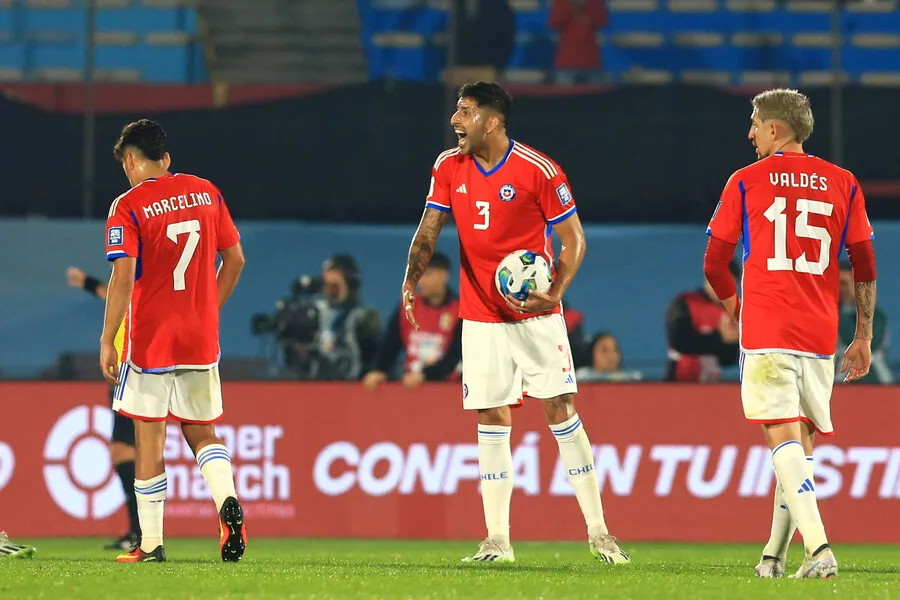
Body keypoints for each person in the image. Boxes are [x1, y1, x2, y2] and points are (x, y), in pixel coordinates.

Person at [401, 82, 629, 565]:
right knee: (490, 415)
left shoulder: (537, 170)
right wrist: (410, 280)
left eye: (465, 112)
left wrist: (556, 291)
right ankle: (497, 540)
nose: (455, 120)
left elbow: (574, 240)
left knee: (560, 410)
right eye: (456, 111)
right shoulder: (448, 165)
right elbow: (429, 229)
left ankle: (600, 532)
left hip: (535, 313)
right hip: (480, 315)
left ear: (492, 120)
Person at [704, 89, 876, 579]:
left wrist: (737, 306)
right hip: (821, 332)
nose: (750, 133)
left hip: (769, 325)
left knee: (781, 437)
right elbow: (863, 264)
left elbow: (715, 261)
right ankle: (773, 557)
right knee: (799, 444)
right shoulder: (844, 183)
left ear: (775, 129)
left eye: (755, 124)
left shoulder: (746, 181)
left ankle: (820, 550)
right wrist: (862, 334)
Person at [100, 119, 247, 563]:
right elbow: (235, 260)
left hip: (150, 339)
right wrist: (207, 310)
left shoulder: (127, 205)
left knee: (149, 438)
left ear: (130, 160)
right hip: (200, 335)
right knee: (203, 431)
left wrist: (108, 339)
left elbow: (123, 277)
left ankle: (150, 543)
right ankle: (227, 501)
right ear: (165, 159)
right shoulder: (206, 191)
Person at [66, 266, 141, 551]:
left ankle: (140, 533)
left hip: (132, 373)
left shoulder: (137, 284)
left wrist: (85, 281)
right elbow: (113, 294)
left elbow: (114, 292)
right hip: (128, 374)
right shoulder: (134, 287)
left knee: (128, 451)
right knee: (128, 451)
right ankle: (139, 532)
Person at [363, 252, 461, 390]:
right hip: (411, 388)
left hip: (447, 389)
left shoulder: (460, 311)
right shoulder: (408, 307)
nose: (420, 281)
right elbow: (390, 344)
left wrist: (425, 375)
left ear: (444, 275)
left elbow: (455, 356)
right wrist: (378, 370)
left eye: (427, 275)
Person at [664, 264, 741, 382]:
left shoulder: (732, 311)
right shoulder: (686, 302)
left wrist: (734, 342)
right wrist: (719, 337)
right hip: (679, 381)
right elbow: (679, 341)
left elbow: (729, 358)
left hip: (710, 385)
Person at [836, 261, 891, 384]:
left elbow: (871, 342)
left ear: (856, 285)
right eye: (836, 284)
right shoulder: (829, 312)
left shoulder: (874, 315)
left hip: (874, 379)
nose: (840, 289)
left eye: (844, 284)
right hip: (837, 380)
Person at [575, 332, 642, 382]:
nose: (611, 355)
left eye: (615, 349)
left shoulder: (632, 378)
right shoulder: (581, 377)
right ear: (591, 354)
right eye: (604, 350)